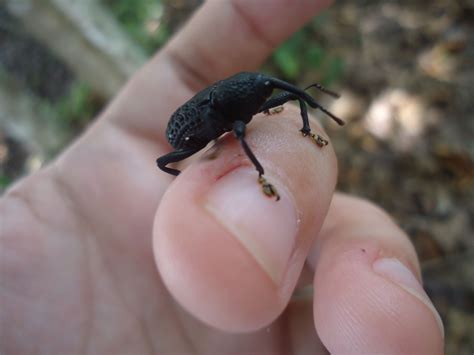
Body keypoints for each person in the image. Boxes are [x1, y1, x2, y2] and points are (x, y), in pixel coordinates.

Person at [0, 1, 444, 353]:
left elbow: (278, 104)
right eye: (265, 92)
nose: (273, 94)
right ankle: (258, 175)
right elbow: (203, 140)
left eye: (269, 91)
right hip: (191, 131)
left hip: (219, 125)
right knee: (186, 156)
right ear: (246, 94)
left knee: (284, 117)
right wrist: (261, 174)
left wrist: (309, 127)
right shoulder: (226, 107)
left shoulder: (249, 97)